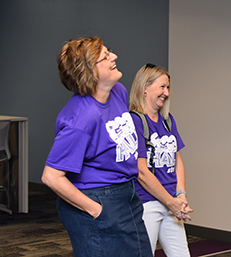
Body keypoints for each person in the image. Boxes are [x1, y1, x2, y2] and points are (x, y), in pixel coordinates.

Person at [41, 37, 152, 257]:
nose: (114, 56)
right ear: (89, 72)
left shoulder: (118, 91)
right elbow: (51, 177)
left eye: (109, 51)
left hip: (126, 194)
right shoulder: (81, 117)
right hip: (98, 197)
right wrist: (96, 210)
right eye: (105, 56)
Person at [129, 63, 193, 257]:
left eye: (168, 88)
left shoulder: (168, 120)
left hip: (171, 201)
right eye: (161, 87)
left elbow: (177, 159)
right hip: (146, 203)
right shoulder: (134, 121)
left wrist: (180, 194)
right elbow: (141, 171)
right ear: (145, 88)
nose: (166, 92)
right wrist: (170, 202)